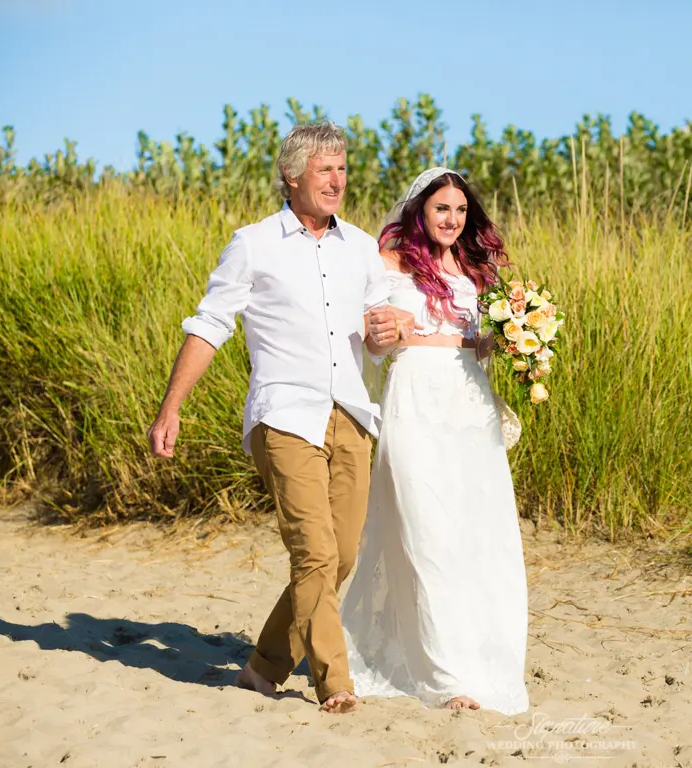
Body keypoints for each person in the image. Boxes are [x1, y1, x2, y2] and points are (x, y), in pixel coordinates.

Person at [146, 123, 415, 714]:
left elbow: (377, 338)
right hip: (285, 415)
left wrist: (384, 333)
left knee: (341, 557)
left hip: (351, 415)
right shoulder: (253, 244)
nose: (337, 181)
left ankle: (263, 667)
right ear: (291, 176)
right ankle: (335, 682)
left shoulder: (361, 247)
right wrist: (172, 407)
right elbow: (210, 324)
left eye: (342, 169)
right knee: (314, 554)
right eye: (325, 170)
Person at [339, 167, 530, 714]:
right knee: (425, 532)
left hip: (469, 404)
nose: (452, 219)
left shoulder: (474, 270)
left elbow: (479, 344)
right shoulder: (388, 263)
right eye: (442, 208)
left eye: (461, 210)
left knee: (476, 534)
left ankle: (478, 659)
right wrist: (386, 334)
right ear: (420, 209)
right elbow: (372, 345)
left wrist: (515, 339)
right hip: (413, 400)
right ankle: (445, 678)